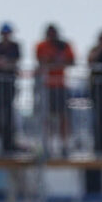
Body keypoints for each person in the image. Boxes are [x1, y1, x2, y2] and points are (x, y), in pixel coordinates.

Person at [35, 25, 75, 156]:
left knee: (64, 117)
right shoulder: (41, 45)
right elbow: (42, 61)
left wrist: (56, 62)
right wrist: (56, 61)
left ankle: (64, 145)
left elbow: (71, 61)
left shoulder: (64, 45)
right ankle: (48, 146)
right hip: (47, 87)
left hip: (61, 86)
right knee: (48, 118)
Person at [0, 24, 23, 153]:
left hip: (10, 84)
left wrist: (5, 64)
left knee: (9, 114)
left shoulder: (15, 46)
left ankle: (10, 142)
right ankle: (2, 141)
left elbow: (15, 63)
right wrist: (1, 64)